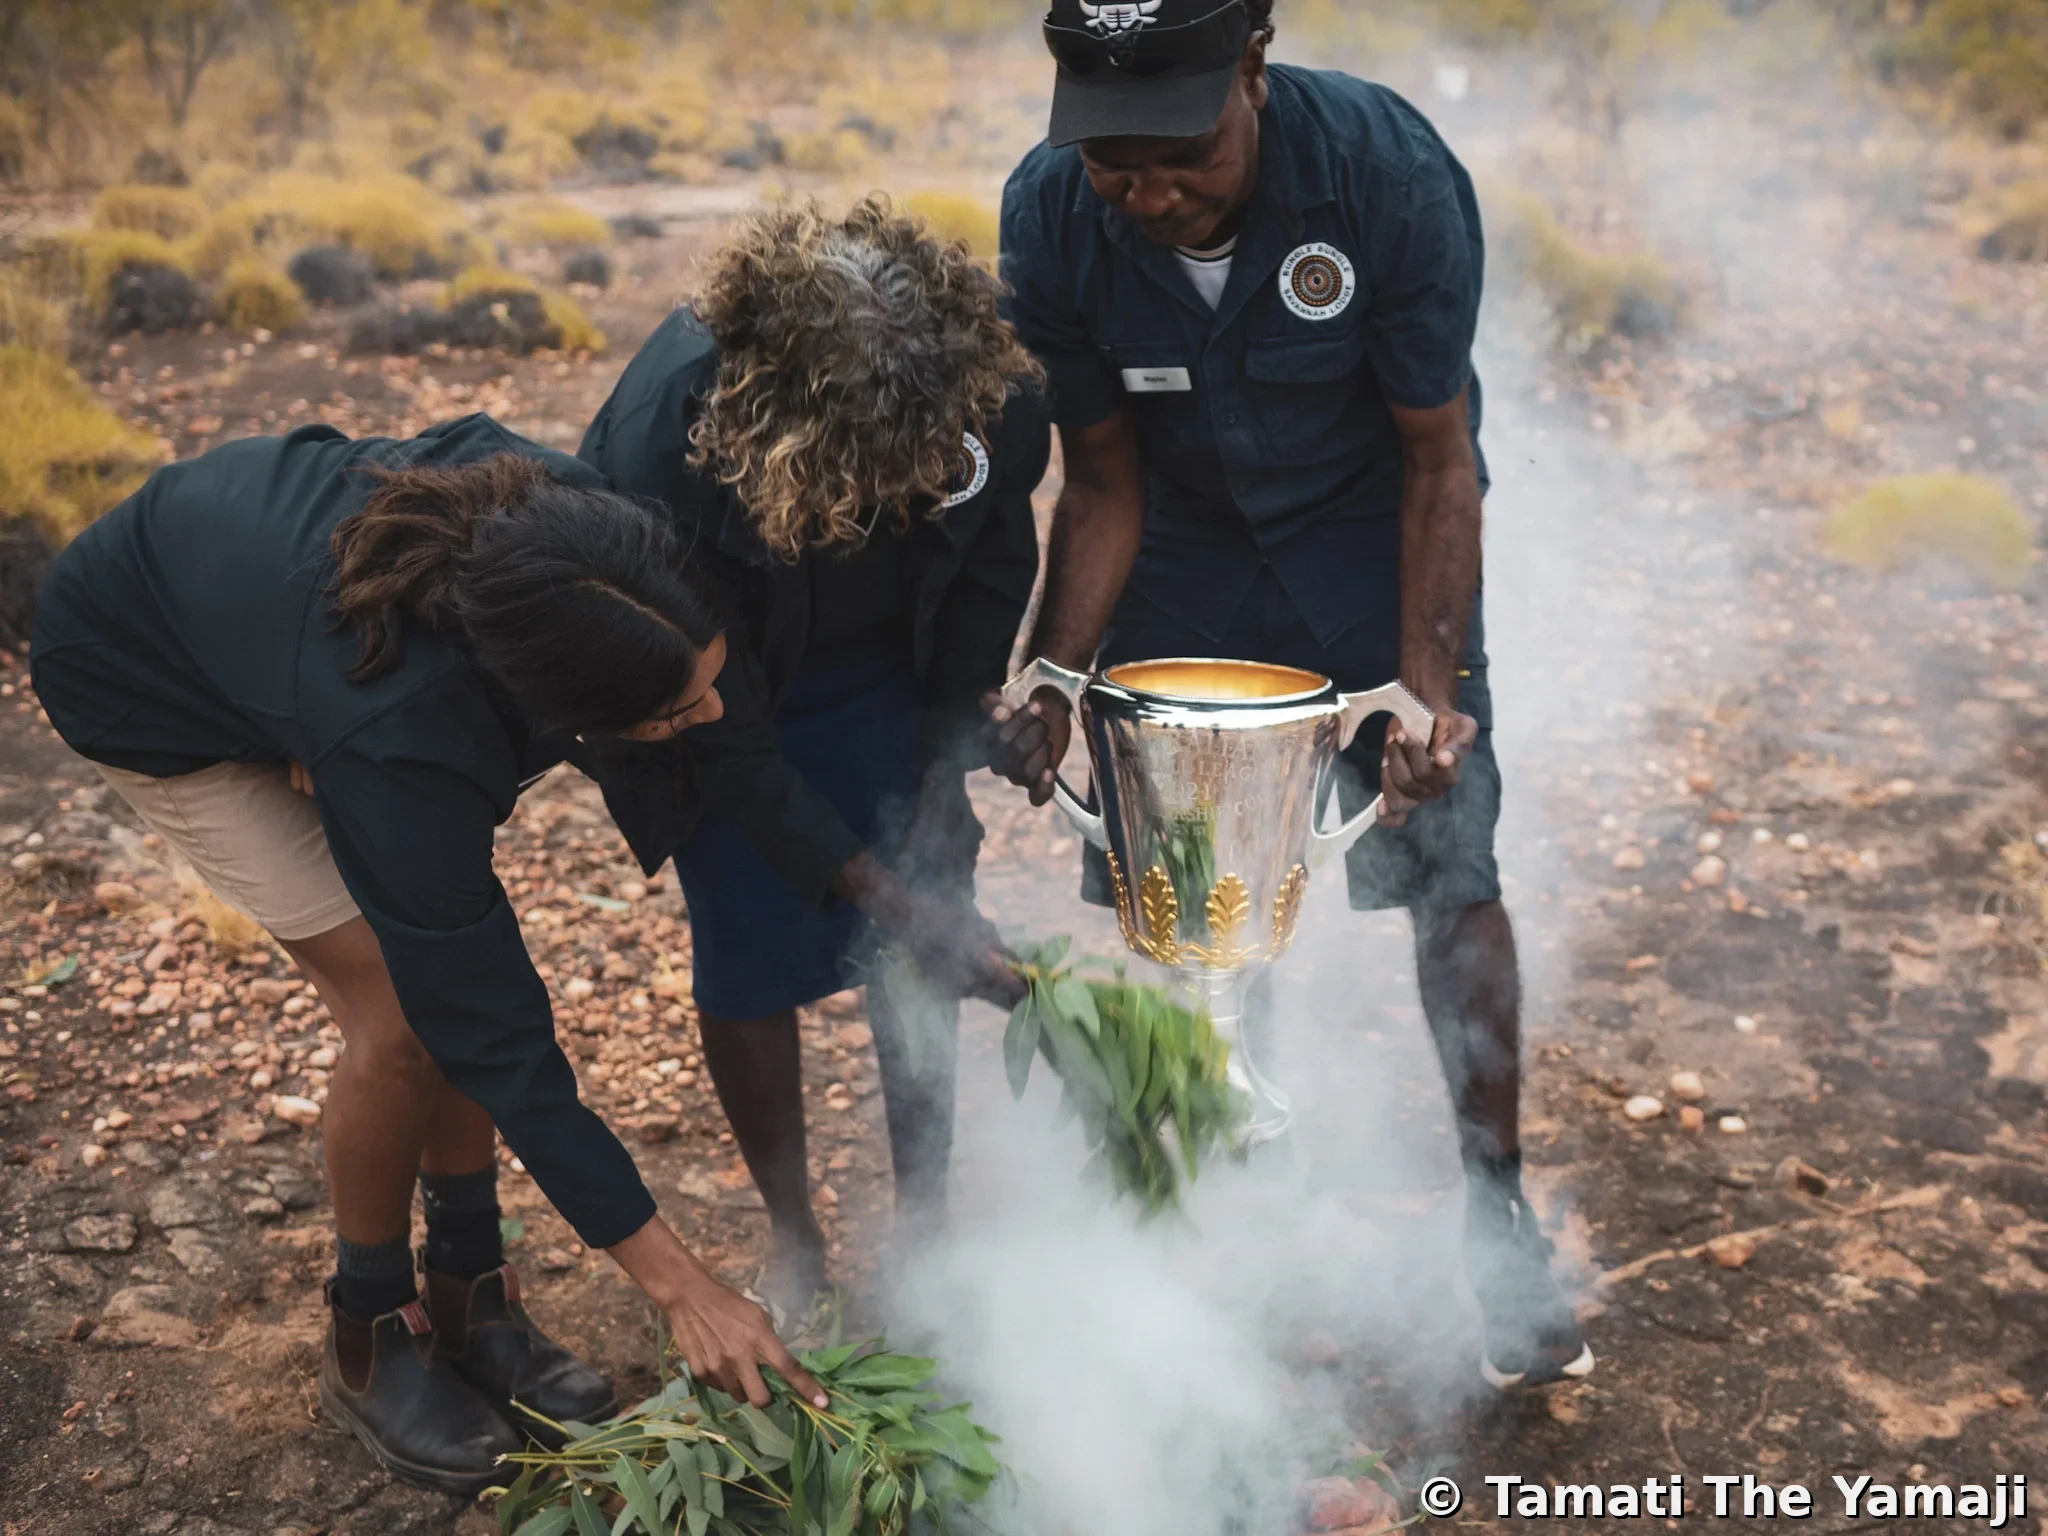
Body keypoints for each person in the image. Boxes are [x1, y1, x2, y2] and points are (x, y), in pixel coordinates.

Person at [28, 416, 838, 1496]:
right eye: (677, 708)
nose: (712, 709)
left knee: (450, 967)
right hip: (136, 663)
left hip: (286, 627)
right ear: (562, 712)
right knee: (406, 1016)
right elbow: (487, 1022)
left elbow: (712, 740)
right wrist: (679, 1286)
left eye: (707, 679)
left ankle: (469, 1287)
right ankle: (369, 1333)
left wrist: (866, 887)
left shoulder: (591, 542)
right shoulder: (405, 728)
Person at [986, 0, 1593, 1389]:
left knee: (1451, 875)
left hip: (1370, 551)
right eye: (1110, 165)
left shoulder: (1386, 175)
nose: (1147, 196)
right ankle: (1223, 1221)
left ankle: (1496, 1221)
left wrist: (1419, 698)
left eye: (1181, 155)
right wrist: (1056, 674)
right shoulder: (1050, 215)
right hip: (1182, 569)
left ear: (1254, 69)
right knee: (1199, 907)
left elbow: (1440, 458)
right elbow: (1102, 478)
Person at [576, 197, 1050, 1314]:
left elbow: (989, 562)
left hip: (889, 655)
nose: (912, 479)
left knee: (928, 913)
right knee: (746, 935)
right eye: (883, 461)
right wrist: (875, 887)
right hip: (717, 678)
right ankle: (792, 1234)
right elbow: (723, 738)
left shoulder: (992, 378)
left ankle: (926, 1220)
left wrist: (945, 766)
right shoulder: (670, 444)